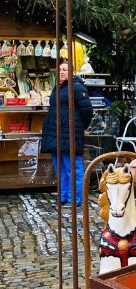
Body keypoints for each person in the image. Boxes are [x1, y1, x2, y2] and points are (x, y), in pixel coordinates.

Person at [41, 62, 93, 205]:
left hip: (70, 133)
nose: (61, 72)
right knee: (60, 169)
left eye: (65, 69)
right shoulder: (57, 88)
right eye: (59, 70)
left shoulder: (77, 87)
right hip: (55, 133)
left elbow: (87, 111)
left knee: (73, 168)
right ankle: (63, 197)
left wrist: (79, 126)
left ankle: (75, 199)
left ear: (72, 72)